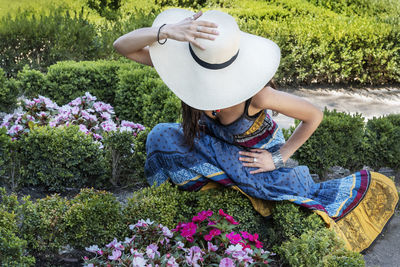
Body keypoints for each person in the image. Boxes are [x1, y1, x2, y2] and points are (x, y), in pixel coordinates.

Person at [113, 8, 398, 253]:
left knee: (273, 189)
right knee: (160, 135)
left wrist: (279, 158)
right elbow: (122, 46)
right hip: (213, 143)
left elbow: (314, 115)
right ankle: (208, 185)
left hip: (253, 155)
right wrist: (166, 31)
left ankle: (228, 185)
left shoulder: (257, 95)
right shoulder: (187, 65)